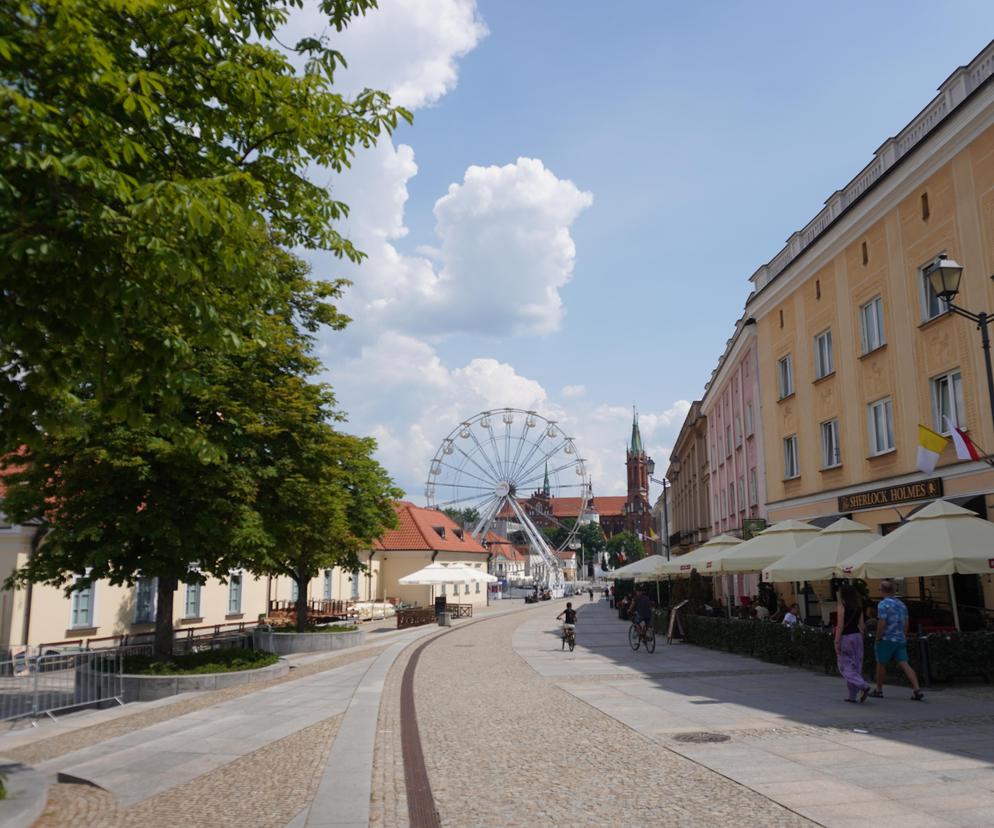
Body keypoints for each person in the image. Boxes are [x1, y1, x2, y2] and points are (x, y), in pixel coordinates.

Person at [870, 579, 924, 701]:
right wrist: (903, 635)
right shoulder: (901, 604)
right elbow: (906, 622)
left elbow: (882, 623)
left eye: (879, 589)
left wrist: (878, 638)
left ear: (883, 591)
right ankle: (916, 688)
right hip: (900, 638)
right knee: (905, 664)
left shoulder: (883, 604)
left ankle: (879, 690)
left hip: (886, 639)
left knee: (881, 664)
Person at [835, 584, 871, 703]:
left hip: (846, 637)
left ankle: (863, 685)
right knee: (856, 665)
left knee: (845, 666)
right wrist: (860, 638)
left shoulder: (842, 606)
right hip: (857, 637)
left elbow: (840, 625)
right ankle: (852, 696)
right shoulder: (858, 606)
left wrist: (836, 641)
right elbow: (861, 625)